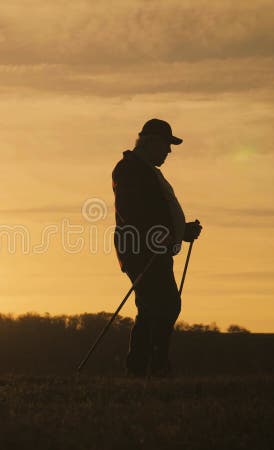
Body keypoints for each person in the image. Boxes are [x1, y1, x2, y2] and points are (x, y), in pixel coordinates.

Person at [112, 119, 202, 377]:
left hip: (153, 248)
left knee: (154, 307)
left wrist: (181, 231)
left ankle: (144, 368)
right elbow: (131, 210)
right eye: (166, 145)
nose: (169, 151)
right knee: (164, 305)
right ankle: (152, 366)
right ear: (151, 142)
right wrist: (161, 234)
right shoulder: (129, 169)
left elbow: (153, 213)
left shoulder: (145, 170)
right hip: (143, 250)